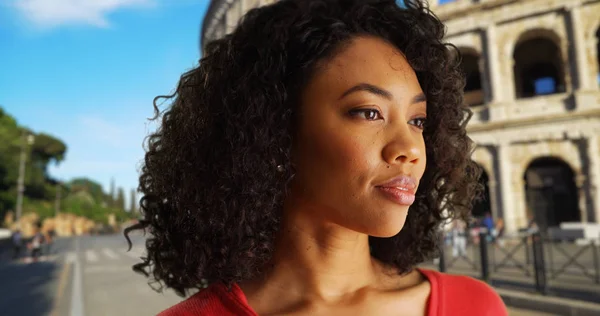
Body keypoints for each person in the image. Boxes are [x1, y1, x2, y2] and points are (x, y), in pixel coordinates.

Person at [125, 0, 508, 315]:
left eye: (417, 120)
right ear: (276, 132)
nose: (409, 148)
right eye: (369, 112)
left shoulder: (474, 306)